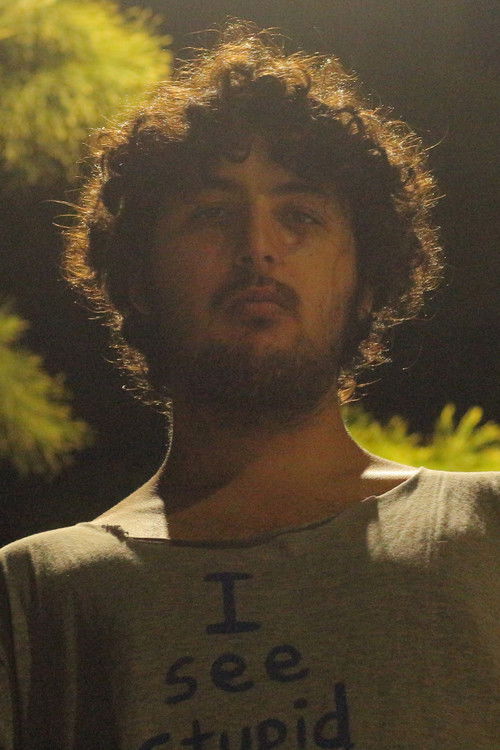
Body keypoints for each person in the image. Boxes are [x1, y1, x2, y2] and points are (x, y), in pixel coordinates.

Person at [1, 21, 498, 750]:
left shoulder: (486, 531)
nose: (258, 247)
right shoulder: (39, 594)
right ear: (138, 280)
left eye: (300, 215)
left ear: (366, 280)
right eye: (212, 214)